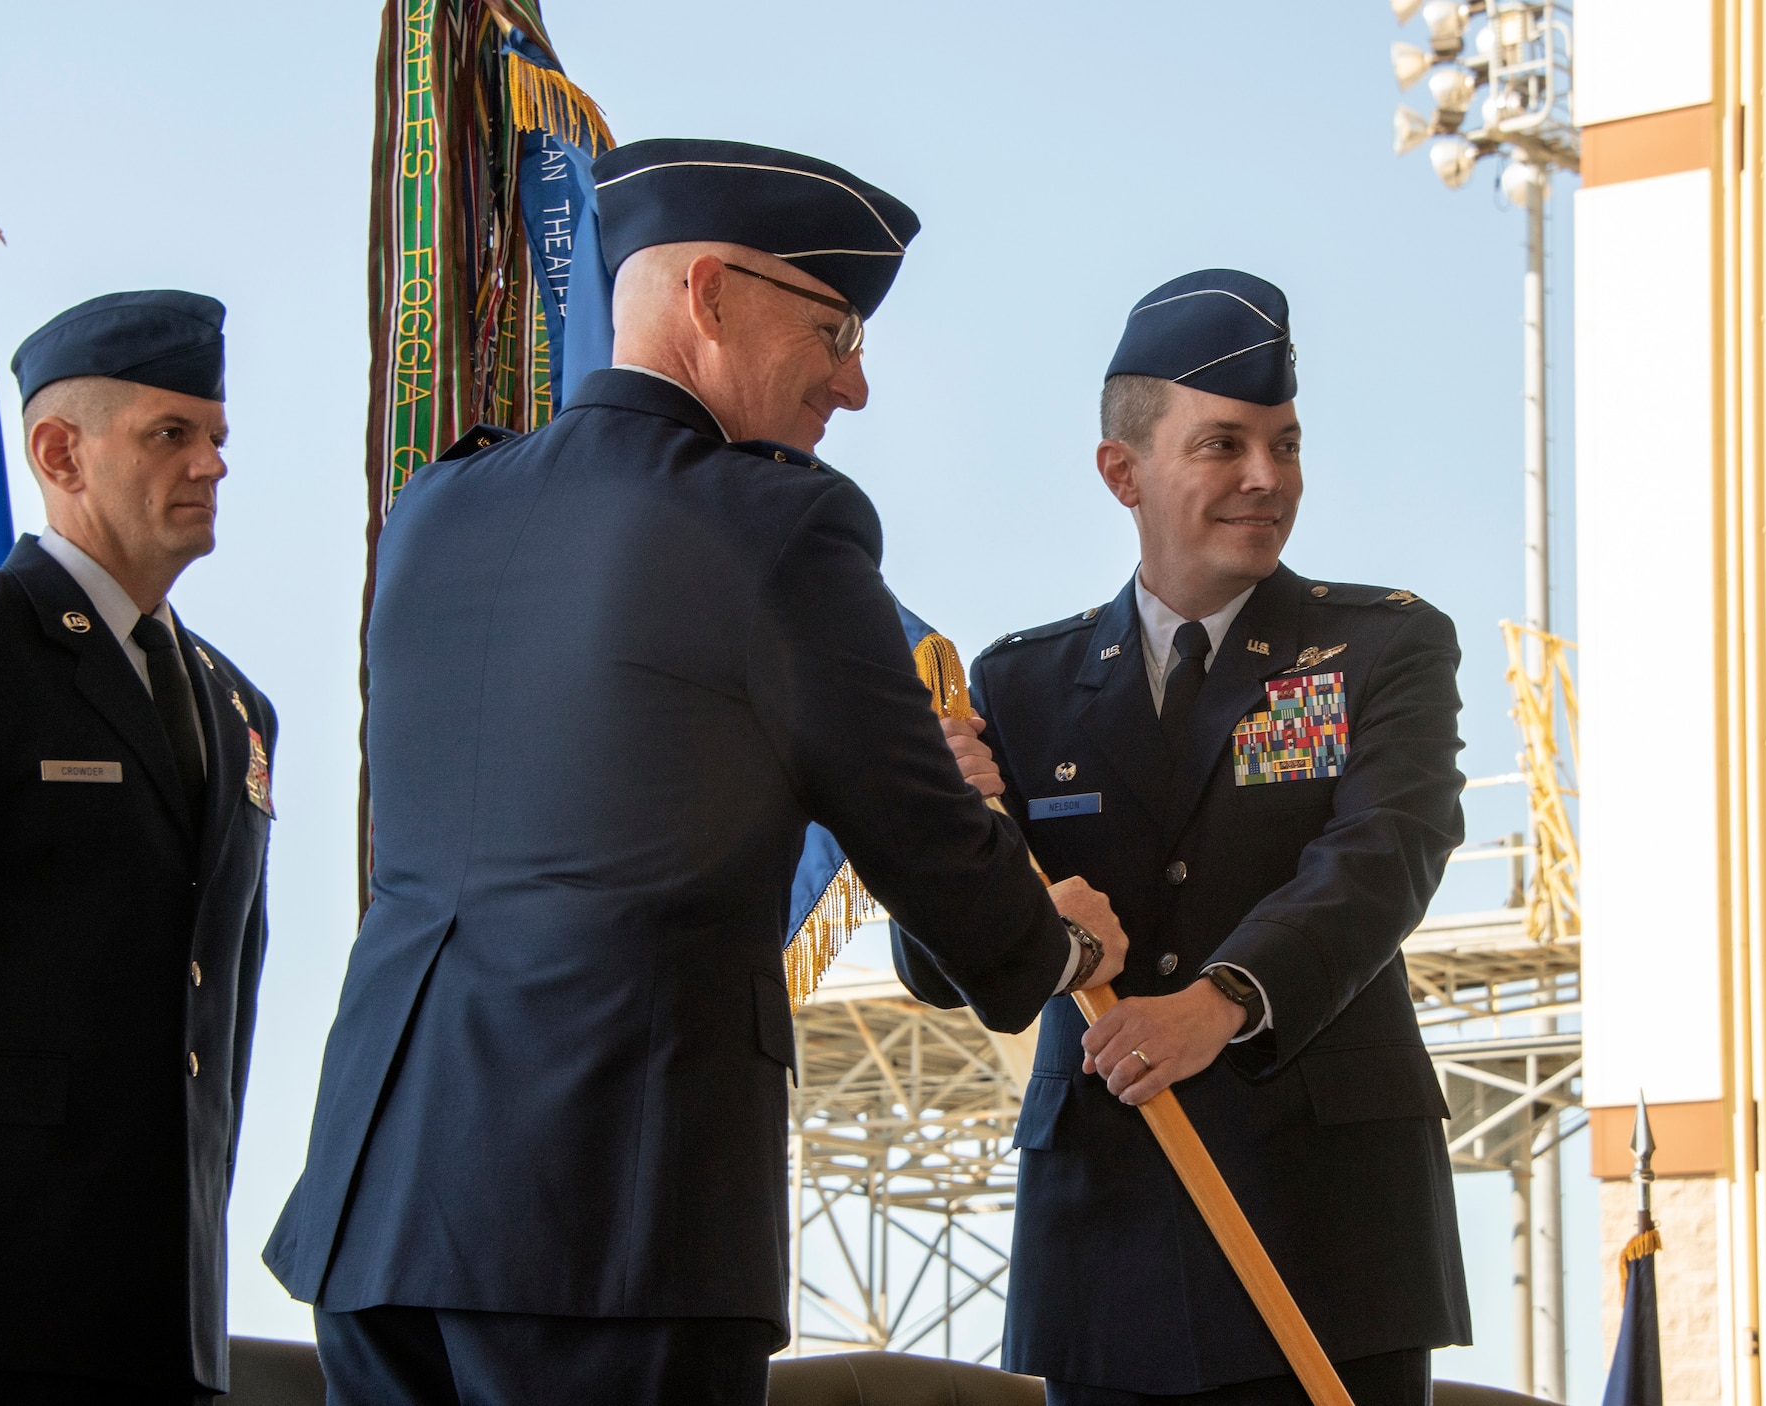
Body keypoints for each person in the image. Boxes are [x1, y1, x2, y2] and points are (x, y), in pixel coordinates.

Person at [262, 137, 1129, 1406]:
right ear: (710, 294)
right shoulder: (777, 524)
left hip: (382, 1195)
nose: (854, 384)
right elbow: (927, 845)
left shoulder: (440, 509)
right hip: (608, 1213)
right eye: (833, 328)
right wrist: (1054, 943)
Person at [895, 269, 1472, 1406]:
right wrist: (942, 832)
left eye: (1284, 443)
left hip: (1327, 1232)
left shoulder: (1378, 648)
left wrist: (1221, 1000)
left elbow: (1383, 855)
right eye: (1222, 445)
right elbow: (943, 970)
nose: (1266, 478)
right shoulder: (1021, 682)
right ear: (1123, 471)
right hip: (1106, 1237)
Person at [0, 291, 277, 1403]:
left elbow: (216, 1011)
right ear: (60, 452)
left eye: (216, 437)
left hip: (163, 1308)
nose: (212, 464)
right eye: (170, 434)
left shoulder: (239, 708)